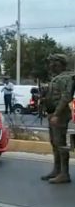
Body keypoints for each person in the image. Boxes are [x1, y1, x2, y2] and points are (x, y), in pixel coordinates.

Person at [41, 54, 74, 184]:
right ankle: (57, 170)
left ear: (58, 64)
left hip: (60, 115)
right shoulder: (56, 78)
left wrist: (56, 114)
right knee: (54, 142)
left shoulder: (67, 77)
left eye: (53, 63)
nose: (50, 66)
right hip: (52, 113)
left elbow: (66, 97)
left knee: (60, 143)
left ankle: (64, 174)